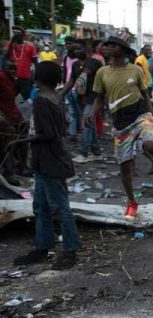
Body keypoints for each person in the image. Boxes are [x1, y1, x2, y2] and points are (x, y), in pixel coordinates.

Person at [88, 36, 153, 219]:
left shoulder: (135, 70)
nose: (108, 48)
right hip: (120, 124)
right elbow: (99, 99)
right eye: (106, 45)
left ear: (123, 50)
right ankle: (132, 202)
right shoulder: (102, 72)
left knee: (149, 145)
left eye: (113, 45)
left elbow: (145, 96)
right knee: (125, 167)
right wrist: (91, 115)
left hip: (140, 115)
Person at [11, 61, 81, 270]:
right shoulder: (55, 98)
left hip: (49, 160)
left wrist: (23, 141)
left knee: (59, 206)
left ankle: (70, 249)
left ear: (39, 78)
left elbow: (49, 133)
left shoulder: (41, 100)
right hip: (49, 160)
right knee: (41, 206)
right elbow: (59, 129)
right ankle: (42, 247)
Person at [71, 40, 104, 164]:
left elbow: (87, 72)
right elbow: (71, 81)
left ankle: (84, 153)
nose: (76, 51)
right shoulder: (75, 65)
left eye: (79, 48)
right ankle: (96, 152)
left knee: (86, 125)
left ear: (87, 49)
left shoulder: (94, 62)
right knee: (90, 126)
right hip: (80, 98)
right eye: (75, 49)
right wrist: (60, 94)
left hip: (93, 98)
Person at [6, 26, 37, 100]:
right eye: (14, 32)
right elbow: (5, 58)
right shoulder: (10, 46)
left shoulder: (30, 47)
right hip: (11, 79)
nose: (15, 34)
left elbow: (36, 62)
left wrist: (37, 77)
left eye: (18, 32)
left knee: (28, 100)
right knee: (7, 100)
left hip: (25, 80)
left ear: (23, 35)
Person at [61, 42, 84, 141]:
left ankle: (74, 133)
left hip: (71, 88)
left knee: (74, 112)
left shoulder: (74, 61)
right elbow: (67, 73)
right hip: (74, 89)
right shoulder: (78, 61)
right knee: (78, 113)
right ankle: (77, 133)